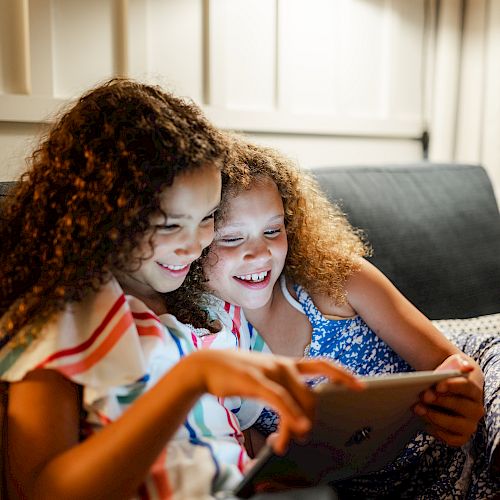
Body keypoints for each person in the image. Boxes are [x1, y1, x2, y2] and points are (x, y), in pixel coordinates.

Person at [0, 79, 363, 499]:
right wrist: (189, 380)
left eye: (207, 218)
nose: (194, 245)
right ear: (100, 214)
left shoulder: (208, 311)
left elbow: (225, 443)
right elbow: (36, 489)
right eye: (170, 225)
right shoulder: (62, 317)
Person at [184, 135, 499, 498]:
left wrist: (467, 385)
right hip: (388, 487)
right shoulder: (205, 347)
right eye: (232, 238)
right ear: (196, 242)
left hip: (474, 421)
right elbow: (257, 465)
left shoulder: (335, 279)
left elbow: (451, 358)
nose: (260, 253)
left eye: (273, 230)